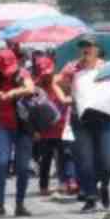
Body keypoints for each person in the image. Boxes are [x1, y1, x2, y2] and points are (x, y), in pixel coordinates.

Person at [60, 35, 110, 213]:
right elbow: (58, 82)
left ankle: (104, 186)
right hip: (81, 119)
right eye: (83, 46)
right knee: (85, 162)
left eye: (89, 46)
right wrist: (65, 96)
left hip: (104, 119)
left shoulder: (108, 67)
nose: (86, 49)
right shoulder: (72, 67)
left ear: (97, 49)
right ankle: (90, 196)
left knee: (107, 163)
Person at [0, 49, 35, 218]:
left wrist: (14, 92)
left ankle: (20, 205)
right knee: (1, 163)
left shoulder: (22, 73)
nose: (10, 71)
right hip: (4, 126)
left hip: (23, 126)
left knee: (23, 167)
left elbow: (30, 88)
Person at [33, 56, 71, 199]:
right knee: (45, 158)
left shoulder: (59, 82)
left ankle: (63, 182)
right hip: (45, 130)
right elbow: (32, 111)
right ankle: (43, 186)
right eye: (44, 74)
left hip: (61, 126)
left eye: (49, 73)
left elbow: (68, 96)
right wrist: (35, 130)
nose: (47, 76)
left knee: (63, 157)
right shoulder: (36, 88)